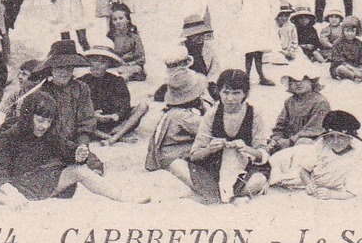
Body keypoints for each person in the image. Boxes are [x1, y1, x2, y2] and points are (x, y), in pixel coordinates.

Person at [0, 89, 149, 207]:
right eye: (40, 120)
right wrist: (12, 193)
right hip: (12, 185)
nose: (45, 126)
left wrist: (78, 154)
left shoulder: (49, 134)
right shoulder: (8, 137)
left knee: (79, 170)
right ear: (28, 116)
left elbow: (66, 150)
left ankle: (123, 197)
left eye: (49, 121)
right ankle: (1, 198)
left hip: (41, 183)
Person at [187, 68, 270, 204]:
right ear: (219, 92)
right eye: (225, 92)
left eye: (236, 93)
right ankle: (225, 192)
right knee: (179, 166)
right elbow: (194, 154)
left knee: (257, 181)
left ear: (245, 94)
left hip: (245, 168)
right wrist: (210, 149)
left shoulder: (254, 114)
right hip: (215, 166)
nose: (230, 98)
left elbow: (263, 154)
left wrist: (246, 149)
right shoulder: (212, 115)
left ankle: (222, 192)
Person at [145, 59, 212, 188]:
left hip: (165, 151)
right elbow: (208, 130)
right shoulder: (185, 116)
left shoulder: (173, 111)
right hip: (171, 156)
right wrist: (206, 109)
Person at [269, 110, 362, 200]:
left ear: (350, 138)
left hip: (327, 185)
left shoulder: (357, 155)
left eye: (341, 136)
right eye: (331, 136)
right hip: (296, 158)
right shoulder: (322, 145)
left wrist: (332, 195)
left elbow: (354, 191)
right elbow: (304, 170)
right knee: (277, 167)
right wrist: (308, 184)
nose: (335, 141)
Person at [81, 46, 147, 143]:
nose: (97, 65)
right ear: (88, 62)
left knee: (143, 106)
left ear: (108, 65)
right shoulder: (81, 82)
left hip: (115, 122)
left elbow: (124, 104)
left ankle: (114, 136)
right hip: (93, 122)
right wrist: (93, 115)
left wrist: (116, 115)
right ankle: (116, 138)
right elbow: (78, 107)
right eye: (94, 61)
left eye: (103, 62)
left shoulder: (116, 80)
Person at [267, 64, 332, 154]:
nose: (298, 83)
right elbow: (280, 123)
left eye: (303, 79)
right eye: (293, 81)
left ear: (311, 82)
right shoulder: (289, 101)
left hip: (312, 139)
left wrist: (291, 140)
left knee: (302, 144)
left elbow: (313, 129)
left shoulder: (320, 102)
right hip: (291, 138)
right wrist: (276, 138)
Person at [328, 16, 362, 82]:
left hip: (357, 68)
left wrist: (361, 68)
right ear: (343, 31)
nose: (349, 34)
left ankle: (361, 76)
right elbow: (338, 60)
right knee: (340, 69)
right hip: (345, 67)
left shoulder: (358, 43)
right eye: (347, 31)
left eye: (353, 31)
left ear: (357, 31)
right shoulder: (337, 43)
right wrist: (353, 68)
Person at [105, 2, 147, 82]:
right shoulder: (111, 37)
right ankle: (120, 78)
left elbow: (141, 59)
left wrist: (129, 63)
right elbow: (108, 55)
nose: (118, 22)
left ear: (127, 20)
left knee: (137, 69)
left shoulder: (134, 37)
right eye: (115, 19)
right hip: (117, 66)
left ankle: (123, 78)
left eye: (121, 18)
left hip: (131, 65)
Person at [181, 11, 218, 81]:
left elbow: (214, 70)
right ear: (189, 36)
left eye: (202, 34)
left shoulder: (208, 48)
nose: (201, 37)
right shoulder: (180, 49)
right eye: (197, 35)